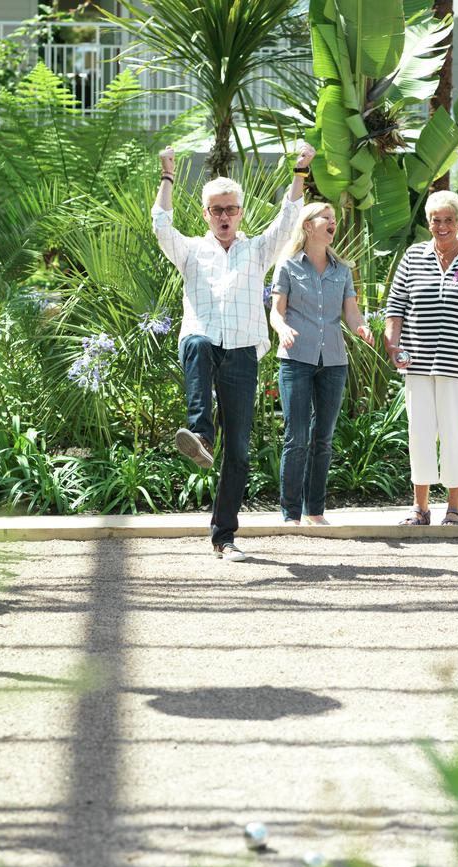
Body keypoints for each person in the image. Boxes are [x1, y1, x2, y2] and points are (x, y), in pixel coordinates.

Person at [152, 140, 315, 561]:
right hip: (204, 343)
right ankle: (200, 434)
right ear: (206, 214)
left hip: (242, 353)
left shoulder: (257, 250)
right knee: (197, 342)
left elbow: (287, 219)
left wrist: (300, 171)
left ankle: (224, 536)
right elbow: (162, 226)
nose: (224, 216)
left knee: (239, 453)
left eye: (231, 209)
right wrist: (168, 175)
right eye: (216, 210)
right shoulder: (191, 251)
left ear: (240, 212)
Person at [383, 190, 458, 526]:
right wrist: (393, 346)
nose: (442, 226)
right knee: (419, 433)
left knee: (454, 433)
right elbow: (395, 307)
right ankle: (420, 508)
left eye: (449, 219)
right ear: (428, 222)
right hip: (417, 361)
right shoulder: (413, 256)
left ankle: (454, 508)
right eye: (436, 220)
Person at [269, 203, 374, 526]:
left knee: (323, 439)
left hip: (333, 362)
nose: (332, 223)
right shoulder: (288, 265)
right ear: (307, 225)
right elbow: (276, 312)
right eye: (326, 218)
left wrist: (361, 327)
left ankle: (314, 511)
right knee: (297, 437)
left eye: (334, 219)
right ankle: (290, 513)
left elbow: (351, 312)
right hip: (296, 359)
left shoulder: (341, 270)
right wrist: (282, 329)